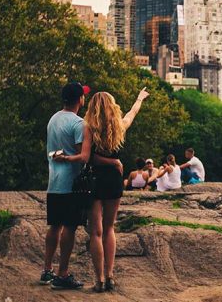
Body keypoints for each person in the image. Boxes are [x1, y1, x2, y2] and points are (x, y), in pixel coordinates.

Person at [57, 87, 149, 292]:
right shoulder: (119, 127)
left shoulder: (88, 128)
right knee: (109, 229)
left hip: (95, 181)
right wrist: (139, 98)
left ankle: (99, 280)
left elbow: (88, 158)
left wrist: (107, 161)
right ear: (112, 107)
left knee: (96, 233)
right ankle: (110, 276)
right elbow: (132, 113)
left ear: (92, 108)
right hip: (114, 180)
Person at [41, 82, 89, 290]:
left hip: (53, 181)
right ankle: (63, 273)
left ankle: (47, 270)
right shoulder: (79, 123)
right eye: (83, 95)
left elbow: (53, 150)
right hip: (71, 184)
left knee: (55, 226)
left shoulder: (53, 119)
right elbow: (81, 156)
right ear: (80, 99)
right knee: (69, 227)